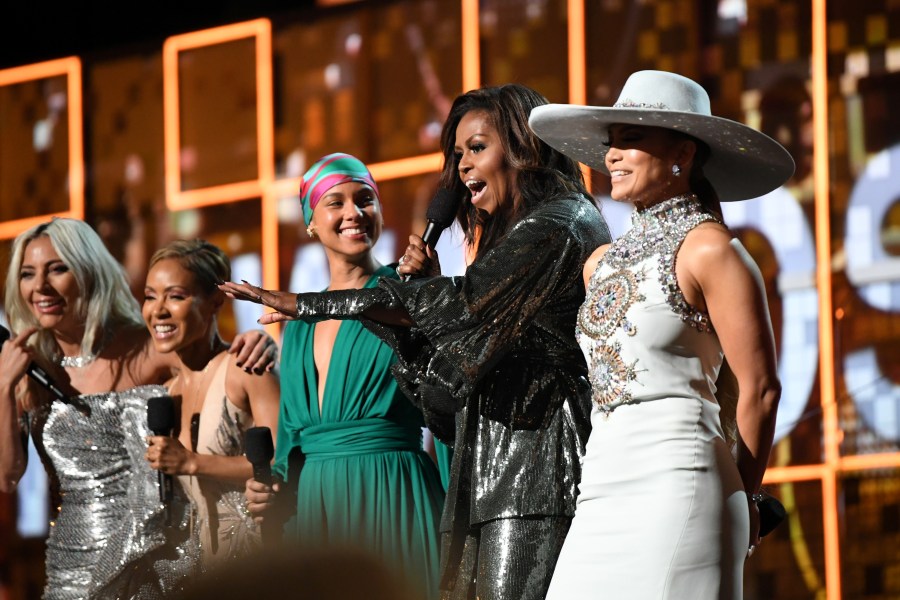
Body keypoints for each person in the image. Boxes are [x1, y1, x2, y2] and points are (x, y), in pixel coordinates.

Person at [220, 85, 612, 600]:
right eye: (458, 154)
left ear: (523, 146)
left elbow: (463, 313)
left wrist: (316, 303)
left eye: (477, 148)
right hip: (466, 478)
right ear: (309, 222)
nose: (463, 166)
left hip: (494, 477)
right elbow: (445, 399)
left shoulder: (555, 225)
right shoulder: (306, 328)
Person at [528, 69, 791, 598]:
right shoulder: (599, 263)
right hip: (600, 488)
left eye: (630, 139)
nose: (612, 156)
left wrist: (744, 497)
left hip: (682, 484)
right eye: (611, 143)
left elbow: (761, 390)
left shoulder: (711, 250)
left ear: (683, 153)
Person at [0, 217, 276, 599]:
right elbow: (7, 476)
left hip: (159, 556)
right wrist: (4, 387)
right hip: (74, 566)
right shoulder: (26, 370)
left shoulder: (148, 347)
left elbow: (218, 362)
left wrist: (259, 343)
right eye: (27, 274)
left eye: (57, 269)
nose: (40, 287)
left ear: (89, 273)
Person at [241, 153, 445, 599]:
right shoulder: (296, 325)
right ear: (311, 222)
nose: (354, 212)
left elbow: (449, 409)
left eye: (365, 199)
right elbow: (290, 444)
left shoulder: (405, 296)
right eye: (336, 202)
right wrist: (271, 489)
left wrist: (463, 523)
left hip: (394, 495)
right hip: (315, 515)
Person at [142, 239, 280, 569]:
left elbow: (283, 460)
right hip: (198, 572)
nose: (158, 310)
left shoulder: (246, 367)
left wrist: (192, 462)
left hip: (259, 563)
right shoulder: (168, 391)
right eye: (149, 296)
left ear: (215, 302)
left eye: (176, 296)